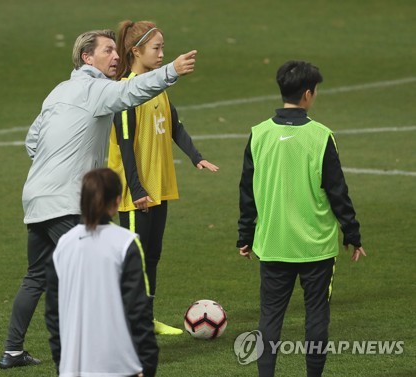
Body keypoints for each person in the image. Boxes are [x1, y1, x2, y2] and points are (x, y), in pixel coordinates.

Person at [0, 28, 198, 370]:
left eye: (115, 51)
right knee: (94, 277)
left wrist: (54, 167)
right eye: (107, 51)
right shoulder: (96, 90)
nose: (116, 56)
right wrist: (172, 71)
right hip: (67, 202)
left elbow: (32, 141)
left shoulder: (58, 92)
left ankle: (13, 350)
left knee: (36, 276)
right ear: (86, 58)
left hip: (36, 197)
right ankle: (105, 351)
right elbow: (134, 91)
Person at [236, 60, 366, 377]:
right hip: (316, 247)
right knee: (317, 314)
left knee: (269, 317)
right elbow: (338, 192)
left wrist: (245, 236)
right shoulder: (321, 137)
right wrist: (352, 234)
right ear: (307, 94)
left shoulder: (259, 134)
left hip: (273, 243)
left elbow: (247, 192)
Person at [107, 20, 219, 336]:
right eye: (156, 48)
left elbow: (175, 126)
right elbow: (126, 144)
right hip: (134, 191)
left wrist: (196, 157)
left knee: (152, 255)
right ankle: (126, 327)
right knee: (135, 261)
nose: (161, 54)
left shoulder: (157, 89)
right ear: (136, 51)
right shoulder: (125, 93)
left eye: (163, 48)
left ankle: (144, 318)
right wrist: (137, 187)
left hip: (158, 187)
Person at [53, 168, 157, 377]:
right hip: (118, 366)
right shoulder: (125, 242)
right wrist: (148, 364)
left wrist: (62, 364)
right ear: (118, 201)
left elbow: (53, 316)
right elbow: (138, 310)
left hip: (72, 369)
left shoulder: (63, 244)